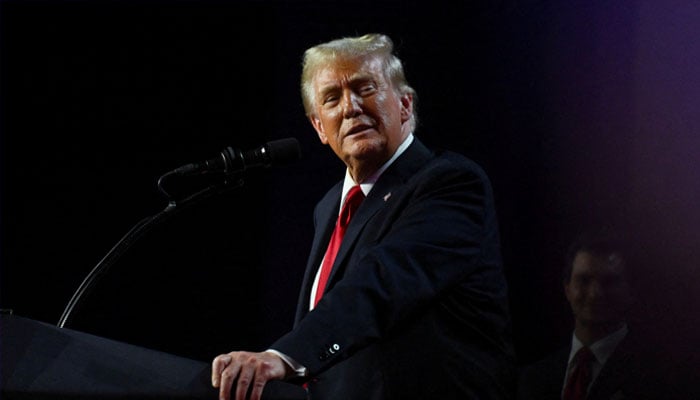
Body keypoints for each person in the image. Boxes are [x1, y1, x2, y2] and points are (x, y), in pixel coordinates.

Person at [211, 33, 516, 400]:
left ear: (405, 104)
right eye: (331, 98)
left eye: (364, 88)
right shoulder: (328, 207)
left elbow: (381, 283)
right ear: (319, 127)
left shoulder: (449, 183)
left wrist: (286, 356)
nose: (350, 107)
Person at [516, 230, 690, 400]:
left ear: (631, 291)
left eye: (610, 281)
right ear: (567, 289)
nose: (595, 293)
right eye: (584, 280)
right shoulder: (532, 379)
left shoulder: (662, 376)